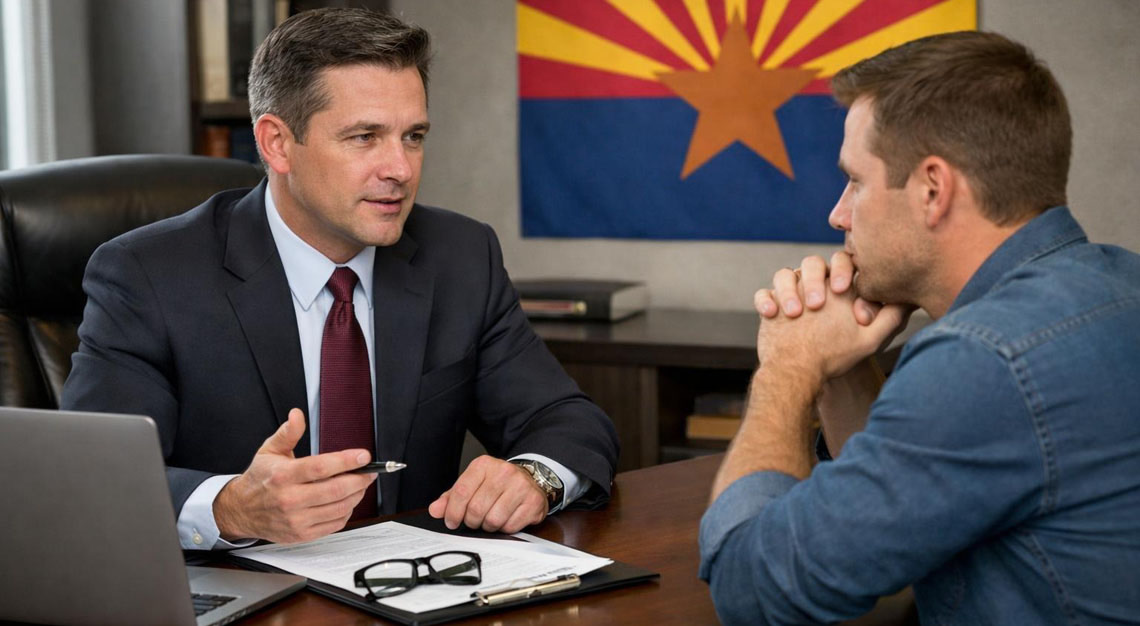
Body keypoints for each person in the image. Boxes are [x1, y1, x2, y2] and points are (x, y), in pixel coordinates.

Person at [61, 8, 618, 550]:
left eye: (414, 136)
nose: (400, 169)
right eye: (364, 137)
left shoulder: (460, 256)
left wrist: (534, 478)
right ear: (277, 143)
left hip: (413, 591)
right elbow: (91, 480)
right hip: (243, 595)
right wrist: (230, 507)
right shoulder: (149, 275)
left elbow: (566, 420)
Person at [700, 31, 1140, 624]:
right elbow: (894, 515)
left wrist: (790, 365)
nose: (837, 215)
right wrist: (838, 364)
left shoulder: (983, 360)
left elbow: (753, 589)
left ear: (933, 190)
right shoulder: (1119, 281)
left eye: (856, 181)